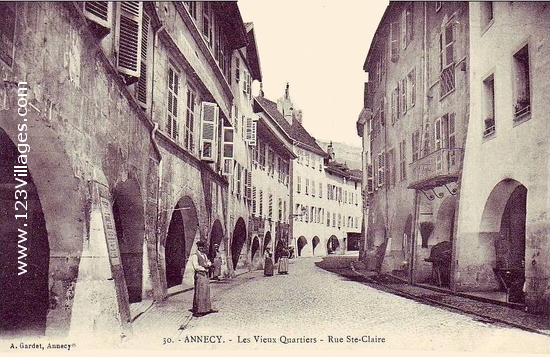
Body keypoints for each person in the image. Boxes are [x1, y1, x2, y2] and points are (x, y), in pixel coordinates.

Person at [190, 241, 216, 317]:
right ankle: (197, 311)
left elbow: (207, 261)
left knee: (206, 291)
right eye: (200, 247)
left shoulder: (204, 255)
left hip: (205, 275)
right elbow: (196, 266)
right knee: (199, 292)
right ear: (198, 247)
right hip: (200, 274)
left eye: (202, 247)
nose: (201, 248)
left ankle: (206, 308)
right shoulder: (195, 256)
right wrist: (204, 268)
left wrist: (209, 264)